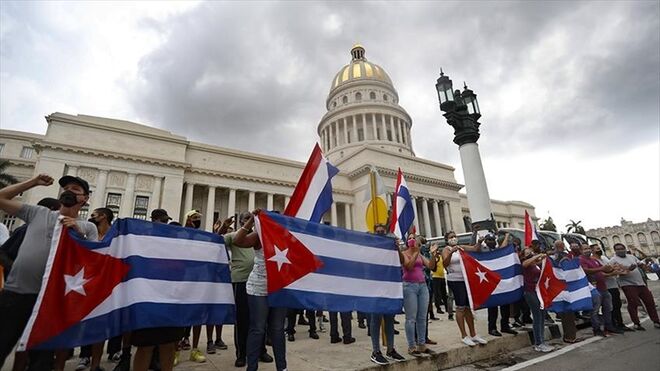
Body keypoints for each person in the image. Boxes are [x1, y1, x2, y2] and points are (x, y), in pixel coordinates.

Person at [0, 174, 98, 369]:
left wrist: (78, 233)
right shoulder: (38, 213)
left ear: (85, 199)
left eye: (76, 189)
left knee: (41, 361)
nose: (69, 191)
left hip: (51, 302)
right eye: (66, 188)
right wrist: (33, 182)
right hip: (16, 294)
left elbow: (94, 261)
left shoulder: (88, 227)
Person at [233, 211, 288, 371]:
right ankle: (252, 367)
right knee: (257, 328)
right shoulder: (260, 235)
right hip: (259, 287)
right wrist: (250, 222)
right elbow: (238, 240)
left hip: (278, 288)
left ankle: (282, 367)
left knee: (278, 329)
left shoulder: (285, 237)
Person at [220, 212, 273, 367]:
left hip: (259, 282)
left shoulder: (260, 237)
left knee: (259, 320)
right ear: (241, 222)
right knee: (242, 319)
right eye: (247, 220)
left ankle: (260, 350)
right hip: (241, 281)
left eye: (252, 219)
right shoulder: (233, 236)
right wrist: (223, 227)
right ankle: (241, 354)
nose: (250, 223)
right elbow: (216, 240)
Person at [442, 230, 488, 347]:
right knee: (460, 307)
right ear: (447, 239)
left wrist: (479, 242)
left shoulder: (460, 247)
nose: (453, 238)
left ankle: (473, 334)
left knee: (468, 307)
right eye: (451, 237)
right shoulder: (446, 249)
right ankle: (464, 335)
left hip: (466, 280)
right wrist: (452, 252)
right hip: (455, 281)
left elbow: (475, 249)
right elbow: (445, 263)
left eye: (455, 236)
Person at [368, 223, 404, 365]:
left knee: (389, 319)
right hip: (375, 288)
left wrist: (396, 248)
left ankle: (390, 349)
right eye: (378, 232)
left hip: (389, 287)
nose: (380, 234)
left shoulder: (391, 247)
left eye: (383, 232)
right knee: (375, 320)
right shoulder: (371, 249)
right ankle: (375, 351)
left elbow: (402, 262)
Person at [176, 210, 208, 363]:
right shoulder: (180, 235)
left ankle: (194, 349)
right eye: (195, 218)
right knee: (179, 318)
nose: (197, 221)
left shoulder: (201, 237)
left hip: (198, 281)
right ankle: (175, 350)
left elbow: (215, 242)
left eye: (198, 219)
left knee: (197, 318)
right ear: (188, 219)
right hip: (182, 280)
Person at [400, 236, 438, 356]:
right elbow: (409, 266)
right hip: (409, 286)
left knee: (422, 317)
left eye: (415, 239)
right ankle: (412, 346)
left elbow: (431, 266)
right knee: (411, 318)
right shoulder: (404, 253)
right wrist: (416, 253)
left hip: (422, 286)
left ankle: (422, 344)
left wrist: (433, 255)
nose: (414, 241)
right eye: (411, 239)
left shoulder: (420, 255)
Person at [610, 243, 660, 330]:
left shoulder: (631, 257)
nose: (620, 250)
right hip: (627, 284)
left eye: (622, 248)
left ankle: (656, 321)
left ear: (625, 249)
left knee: (649, 301)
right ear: (615, 251)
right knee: (633, 302)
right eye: (618, 249)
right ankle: (636, 323)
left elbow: (640, 264)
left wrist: (645, 267)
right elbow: (615, 273)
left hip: (640, 283)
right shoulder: (613, 260)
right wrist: (628, 269)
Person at [579, 244, 622, 336]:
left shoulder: (594, 260)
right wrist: (602, 268)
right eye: (585, 249)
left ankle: (609, 326)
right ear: (581, 250)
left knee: (608, 308)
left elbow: (604, 271)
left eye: (588, 248)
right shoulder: (581, 260)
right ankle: (597, 328)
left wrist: (612, 269)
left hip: (603, 287)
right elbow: (586, 270)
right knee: (595, 310)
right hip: (593, 289)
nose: (587, 250)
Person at [521, 246, 554, 353]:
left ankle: (542, 341)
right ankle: (538, 343)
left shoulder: (535, 265)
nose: (530, 253)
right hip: (530, 292)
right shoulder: (525, 264)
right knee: (537, 317)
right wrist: (537, 255)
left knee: (542, 315)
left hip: (539, 292)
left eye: (531, 252)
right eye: (527, 253)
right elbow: (525, 263)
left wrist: (543, 257)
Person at [484, 233, 518, 337]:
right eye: (488, 240)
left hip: (501, 282)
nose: (491, 242)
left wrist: (507, 236)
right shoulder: (483, 251)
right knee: (492, 307)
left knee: (505, 304)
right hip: (490, 283)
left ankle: (505, 325)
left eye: (492, 239)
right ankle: (492, 328)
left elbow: (503, 248)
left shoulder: (499, 251)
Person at [593, 245, 633, 332]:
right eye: (597, 249)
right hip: (606, 286)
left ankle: (620, 323)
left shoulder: (604, 258)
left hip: (613, 284)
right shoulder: (594, 260)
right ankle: (612, 324)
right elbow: (600, 273)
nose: (599, 250)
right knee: (611, 307)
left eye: (599, 248)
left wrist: (616, 269)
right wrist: (611, 272)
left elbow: (611, 268)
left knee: (617, 305)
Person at [550, 241, 581, 343]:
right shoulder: (553, 257)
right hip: (559, 288)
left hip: (568, 286)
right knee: (565, 314)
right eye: (558, 246)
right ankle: (569, 337)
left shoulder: (567, 255)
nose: (561, 247)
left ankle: (572, 335)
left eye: (562, 246)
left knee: (570, 314)